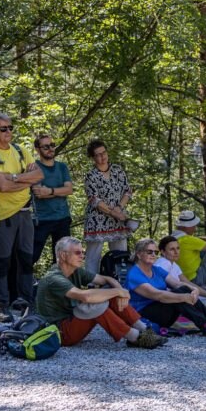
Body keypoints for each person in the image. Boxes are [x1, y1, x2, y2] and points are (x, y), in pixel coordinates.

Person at [36, 237, 167, 349]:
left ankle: (144, 330)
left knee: (108, 294)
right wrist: (118, 291)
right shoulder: (54, 278)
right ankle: (135, 337)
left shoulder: (75, 271)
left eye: (83, 252)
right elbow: (86, 297)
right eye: (77, 253)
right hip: (59, 333)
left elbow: (106, 279)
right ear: (63, 255)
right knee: (96, 304)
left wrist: (119, 292)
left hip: (72, 320)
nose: (82, 256)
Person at [0, 113, 43, 322]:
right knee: (2, 261)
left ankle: (26, 301)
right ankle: (1, 304)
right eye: (3, 128)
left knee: (26, 258)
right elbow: (2, 187)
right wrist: (25, 180)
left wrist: (13, 177)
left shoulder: (21, 150)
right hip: (2, 215)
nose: (8, 132)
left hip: (25, 212)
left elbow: (39, 175)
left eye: (10, 127)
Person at [125, 238, 206, 338]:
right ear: (139, 254)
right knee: (178, 295)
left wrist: (193, 290)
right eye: (149, 252)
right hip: (144, 315)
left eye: (155, 252)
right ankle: (205, 325)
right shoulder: (134, 275)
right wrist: (184, 297)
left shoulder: (156, 269)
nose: (153, 255)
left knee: (182, 289)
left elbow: (177, 284)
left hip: (162, 311)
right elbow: (158, 295)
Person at [83, 139, 135, 275]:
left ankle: (121, 280)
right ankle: (92, 283)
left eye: (104, 152)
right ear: (93, 157)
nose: (102, 156)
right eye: (98, 154)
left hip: (118, 217)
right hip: (97, 220)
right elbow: (94, 199)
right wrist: (114, 212)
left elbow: (127, 191)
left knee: (121, 253)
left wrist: (119, 208)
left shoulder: (118, 170)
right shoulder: (90, 175)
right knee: (93, 255)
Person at [30, 133, 74, 267]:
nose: (50, 149)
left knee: (63, 260)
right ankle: (21, 280)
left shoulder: (62, 167)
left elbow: (69, 190)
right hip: (41, 219)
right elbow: (38, 193)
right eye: (46, 147)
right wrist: (60, 191)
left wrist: (49, 191)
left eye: (52, 145)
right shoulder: (34, 167)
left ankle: (60, 281)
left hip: (62, 218)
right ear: (37, 149)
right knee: (31, 256)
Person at [155, 236, 206, 311]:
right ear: (163, 252)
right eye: (172, 249)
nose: (176, 252)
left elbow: (187, 282)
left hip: (177, 297)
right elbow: (167, 289)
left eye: (178, 248)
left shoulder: (173, 264)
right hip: (168, 301)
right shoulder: (162, 263)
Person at [171, 210, 206, 288]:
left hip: (179, 278)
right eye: (193, 226)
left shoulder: (172, 238)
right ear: (187, 227)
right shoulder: (189, 240)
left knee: (203, 251)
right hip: (195, 280)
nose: (195, 229)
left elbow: (199, 238)